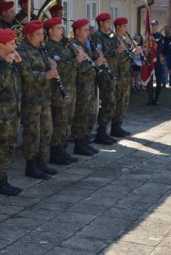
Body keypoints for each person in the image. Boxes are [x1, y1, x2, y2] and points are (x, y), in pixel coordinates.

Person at [17, 20, 58, 179]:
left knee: (46, 131)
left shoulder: (41, 49)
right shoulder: (22, 51)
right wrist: (46, 75)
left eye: (42, 34)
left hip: (44, 98)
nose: (42, 38)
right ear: (28, 36)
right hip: (31, 100)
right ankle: (31, 165)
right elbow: (25, 75)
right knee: (32, 134)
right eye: (38, 35)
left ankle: (41, 161)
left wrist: (52, 67)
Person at [0, 29, 23, 196]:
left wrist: (18, 64)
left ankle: (5, 179)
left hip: (12, 112)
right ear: (1, 45)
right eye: (12, 43)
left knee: (10, 146)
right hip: (0, 115)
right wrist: (8, 65)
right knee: (0, 148)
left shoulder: (11, 61)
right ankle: (0, 182)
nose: (15, 46)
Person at [44, 17, 83, 165]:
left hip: (70, 90)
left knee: (67, 122)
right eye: (59, 28)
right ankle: (56, 152)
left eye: (62, 28)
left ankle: (63, 150)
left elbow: (74, 67)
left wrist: (76, 55)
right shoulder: (49, 48)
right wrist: (75, 60)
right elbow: (58, 69)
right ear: (51, 31)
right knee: (59, 123)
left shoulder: (64, 46)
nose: (62, 30)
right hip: (58, 93)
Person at [70, 19, 103, 156]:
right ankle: (79, 144)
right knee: (81, 116)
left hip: (89, 86)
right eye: (85, 30)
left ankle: (84, 141)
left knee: (89, 115)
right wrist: (97, 62)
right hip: (81, 87)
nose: (88, 32)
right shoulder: (74, 46)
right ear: (77, 32)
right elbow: (80, 67)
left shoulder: (84, 46)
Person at [91, 13, 124, 144]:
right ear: (100, 23)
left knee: (111, 103)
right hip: (104, 74)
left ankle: (104, 130)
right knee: (107, 102)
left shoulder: (110, 36)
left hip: (112, 73)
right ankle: (101, 131)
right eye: (107, 22)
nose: (110, 24)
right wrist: (117, 51)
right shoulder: (97, 37)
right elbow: (101, 55)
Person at [112, 17, 140, 136]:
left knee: (124, 102)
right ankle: (115, 127)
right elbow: (118, 59)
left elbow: (126, 58)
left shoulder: (122, 40)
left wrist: (132, 49)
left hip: (125, 76)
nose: (126, 29)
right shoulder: (114, 40)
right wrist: (133, 53)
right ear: (117, 27)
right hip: (119, 76)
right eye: (123, 26)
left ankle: (118, 124)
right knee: (119, 102)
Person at [148, 20, 165, 105]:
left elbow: (161, 48)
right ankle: (150, 98)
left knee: (159, 80)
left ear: (157, 26)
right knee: (149, 80)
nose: (153, 26)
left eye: (155, 25)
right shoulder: (149, 36)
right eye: (152, 25)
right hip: (150, 60)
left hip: (157, 60)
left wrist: (154, 55)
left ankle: (156, 98)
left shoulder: (160, 36)